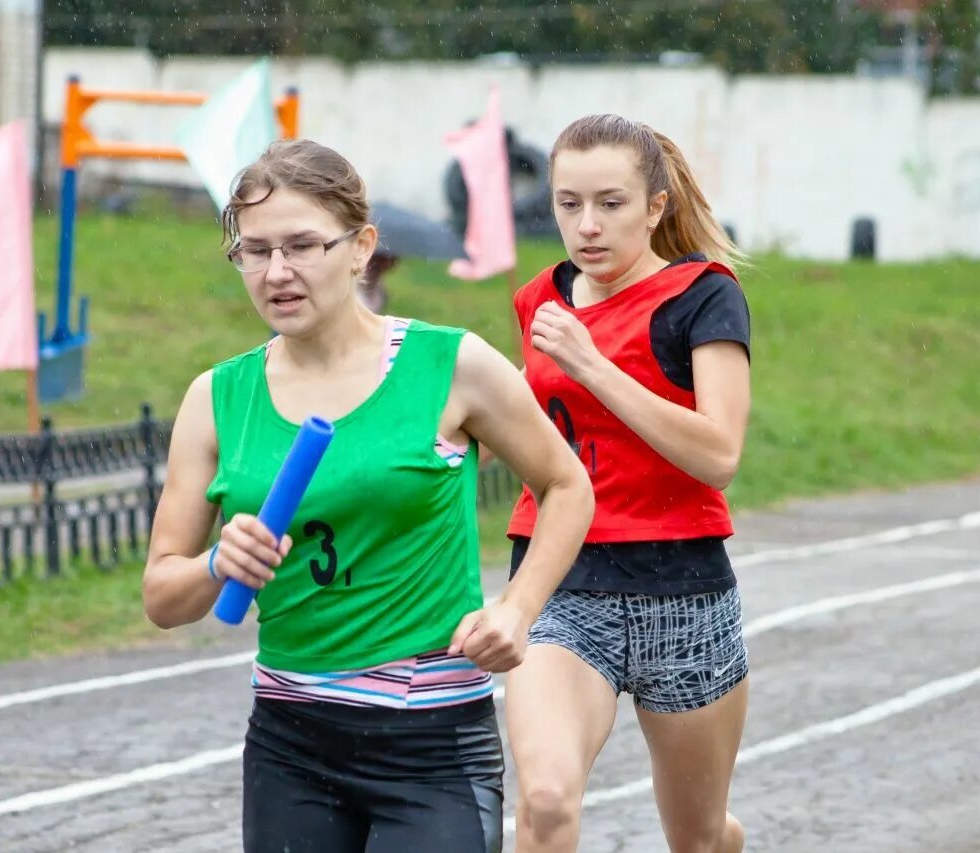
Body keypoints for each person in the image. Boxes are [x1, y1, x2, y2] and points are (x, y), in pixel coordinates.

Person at [141, 139, 593, 853]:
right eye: (254, 252)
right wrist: (215, 566)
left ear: (361, 248)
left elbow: (568, 484)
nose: (277, 272)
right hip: (291, 741)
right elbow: (163, 594)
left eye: (302, 246)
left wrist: (518, 606)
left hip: (432, 741)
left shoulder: (451, 365)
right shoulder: (218, 398)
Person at [503, 114, 753, 853]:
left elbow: (719, 454)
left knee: (698, 837)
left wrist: (593, 366)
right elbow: (532, 418)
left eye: (610, 204)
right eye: (567, 203)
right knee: (545, 801)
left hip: (683, 591)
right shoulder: (539, 300)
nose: (586, 225)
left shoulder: (704, 295)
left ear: (656, 205)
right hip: (560, 581)